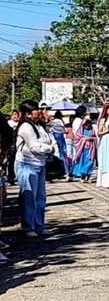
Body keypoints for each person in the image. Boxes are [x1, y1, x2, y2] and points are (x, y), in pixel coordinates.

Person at [15, 99, 54, 238]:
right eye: (36, 109)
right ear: (28, 114)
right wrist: (50, 149)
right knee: (29, 195)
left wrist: (50, 147)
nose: (40, 111)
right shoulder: (26, 127)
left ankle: (39, 225)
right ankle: (28, 226)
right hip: (27, 164)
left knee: (40, 197)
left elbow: (49, 139)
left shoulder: (40, 126)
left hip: (40, 164)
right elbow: (34, 147)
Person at [71, 117, 97, 183]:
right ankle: (82, 177)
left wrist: (90, 138)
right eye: (86, 125)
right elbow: (76, 140)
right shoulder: (79, 132)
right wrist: (84, 139)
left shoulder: (92, 131)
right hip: (82, 150)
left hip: (91, 150)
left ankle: (88, 177)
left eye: (88, 124)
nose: (87, 126)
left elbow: (95, 138)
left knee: (90, 163)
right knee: (83, 163)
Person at [48, 110, 71, 177]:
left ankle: (62, 169)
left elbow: (49, 127)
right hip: (61, 137)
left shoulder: (53, 122)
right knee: (63, 153)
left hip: (55, 136)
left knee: (59, 153)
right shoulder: (60, 121)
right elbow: (64, 130)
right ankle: (66, 169)